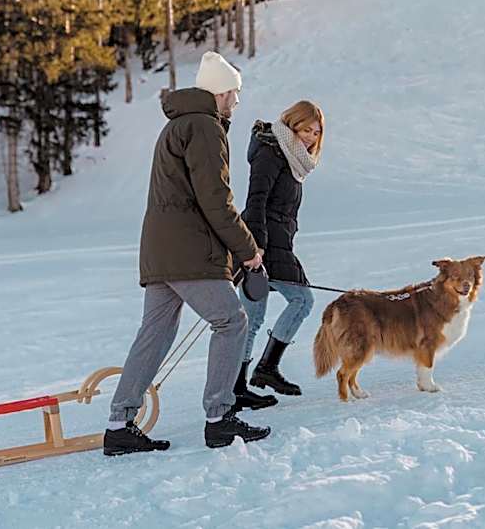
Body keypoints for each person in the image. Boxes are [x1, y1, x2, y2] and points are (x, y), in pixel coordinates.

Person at [104, 51, 272, 455]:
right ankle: (220, 418)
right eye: (235, 93)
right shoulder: (204, 127)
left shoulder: (180, 125)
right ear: (222, 91)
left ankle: (119, 425)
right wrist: (248, 251)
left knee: (156, 333)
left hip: (163, 250)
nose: (237, 100)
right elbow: (216, 199)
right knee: (231, 321)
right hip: (188, 249)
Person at [234, 101, 324, 409]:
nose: (311, 138)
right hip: (264, 246)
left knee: (252, 318)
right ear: (292, 124)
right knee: (302, 301)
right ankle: (262, 371)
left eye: (316, 132)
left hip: (277, 244)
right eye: (306, 129)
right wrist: (256, 245)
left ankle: (242, 383)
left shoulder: (290, 158)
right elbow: (255, 200)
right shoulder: (271, 152)